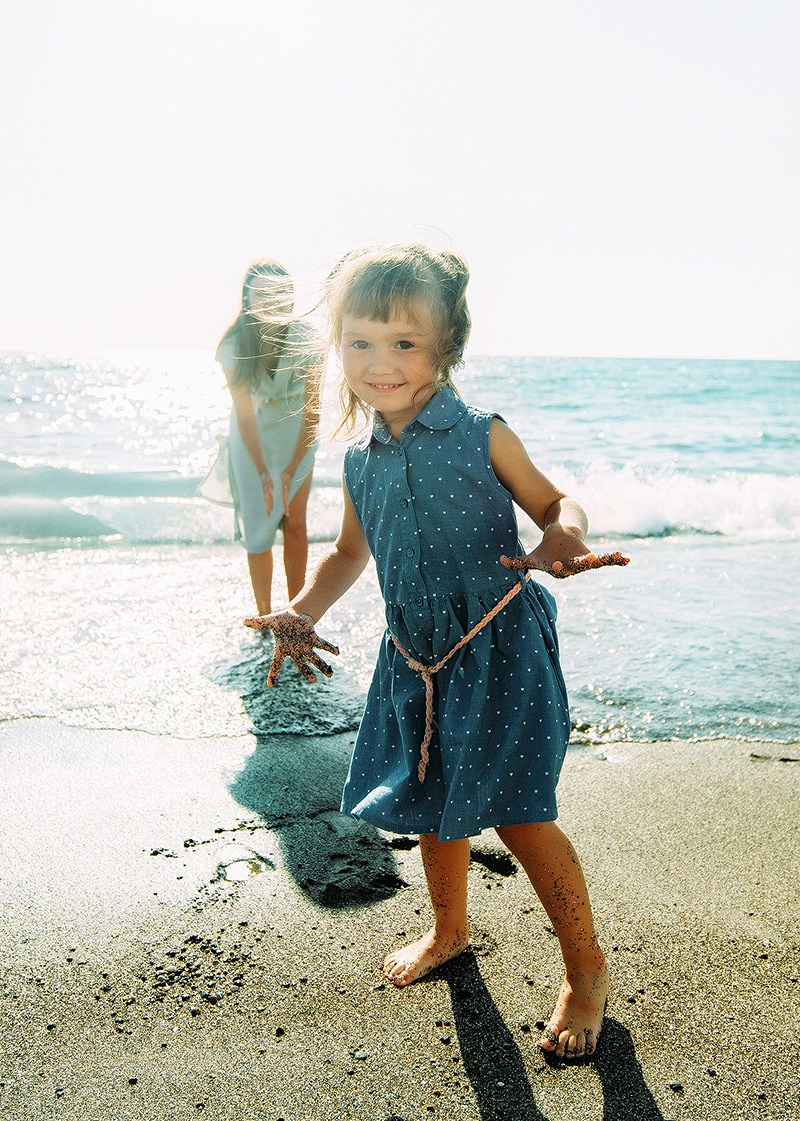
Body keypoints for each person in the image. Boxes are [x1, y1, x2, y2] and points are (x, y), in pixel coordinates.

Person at [243, 243, 629, 1061]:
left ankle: (585, 965)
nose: (379, 363)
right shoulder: (359, 459)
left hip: (498, 645)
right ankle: (450, 929)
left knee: (521, 813)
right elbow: (349, 553)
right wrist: (300, 609)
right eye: (359, 342)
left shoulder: (483, 433)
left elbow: (556, 502)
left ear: (445, 345)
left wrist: (563, 534)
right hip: (415, 656)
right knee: (429, 797)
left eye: (404, 342)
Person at [203, 258, 324, 614]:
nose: (270, 301)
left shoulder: (308, 339)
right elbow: (244, 416)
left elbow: (313, 410)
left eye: (278, 293)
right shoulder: (233, 344)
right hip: (251, 439)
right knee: (258, 532)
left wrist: (291, 469)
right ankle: (265, 616)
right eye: (262, 294)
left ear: (290, 298)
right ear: (248, 298)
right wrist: (263, 473)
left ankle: (297, 614)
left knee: (295, 522)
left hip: (297, 434)